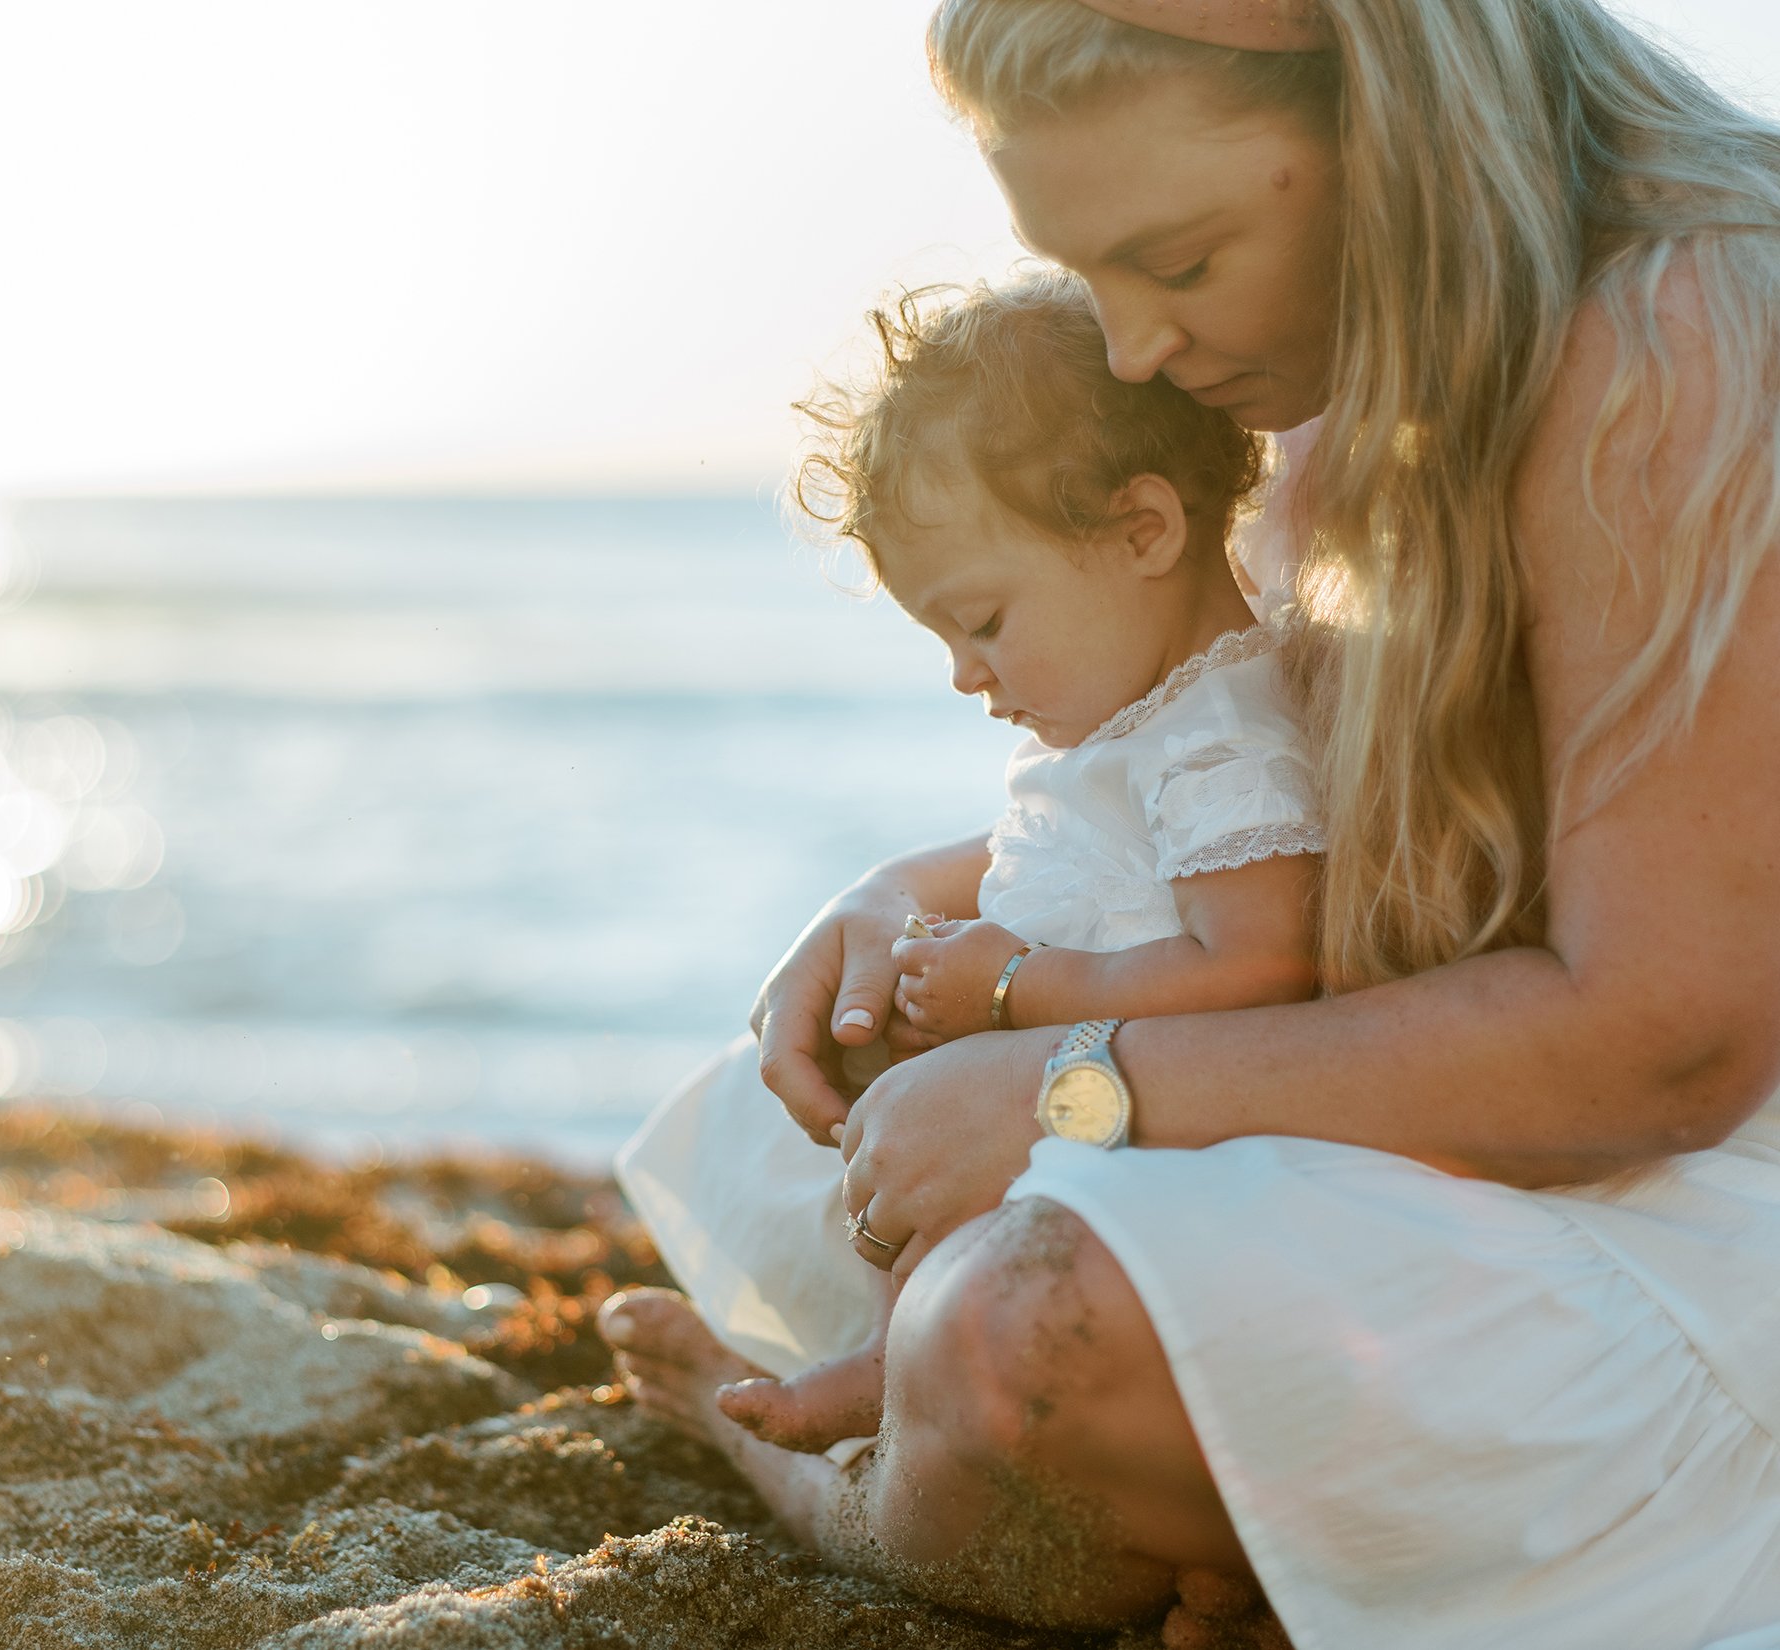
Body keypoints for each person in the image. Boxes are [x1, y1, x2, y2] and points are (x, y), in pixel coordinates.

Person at [598, 2, 1780, 1647]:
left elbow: (1667, 1046)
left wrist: (1069, 1088)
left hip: (1701, 1214)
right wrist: (901, 895)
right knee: (783, 1122)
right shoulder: (1342, 377)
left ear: (1397, 122)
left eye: (1180, 258)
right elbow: (1281, 803)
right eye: (1093, 280)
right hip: (1488, 1129)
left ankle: (916, 1497)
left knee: (1018, 1335)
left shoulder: (1673, 345)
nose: (1136, 351)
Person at [615, 272, 1325, 1459]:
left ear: (1144, 529)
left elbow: (1263, 968)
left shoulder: (1220, 743)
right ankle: (881, 1356)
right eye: (943, 638)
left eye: (984, 621)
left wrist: (1013, 989)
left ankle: (886, 1372)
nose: (965, 674)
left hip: (1162, 1139)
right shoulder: (1145, 725)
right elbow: (1066, 863)